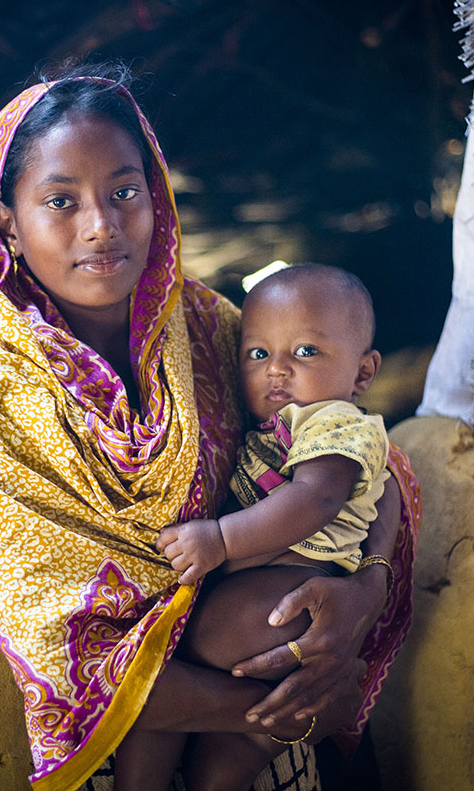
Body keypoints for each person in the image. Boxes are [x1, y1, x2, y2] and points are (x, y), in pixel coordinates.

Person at [0, 62, 421, 791]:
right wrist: (284, 705)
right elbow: (65, 650)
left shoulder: (206, 328)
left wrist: (365, 594)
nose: (102, 226)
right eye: (61, 201)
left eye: (125, 191)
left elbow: (362, 457)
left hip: (269, 723)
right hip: (139, 736)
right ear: (7, 223)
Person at [142, 265, 393, 789]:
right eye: (258, 354)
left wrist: (221, 540)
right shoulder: (279, 422)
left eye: (305, 352)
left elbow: (315, 497)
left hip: (291, 588)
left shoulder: (335, 421)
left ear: (363, 374)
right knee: (222, 767)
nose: (276, 370)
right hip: (276, 600)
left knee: (163, 657)